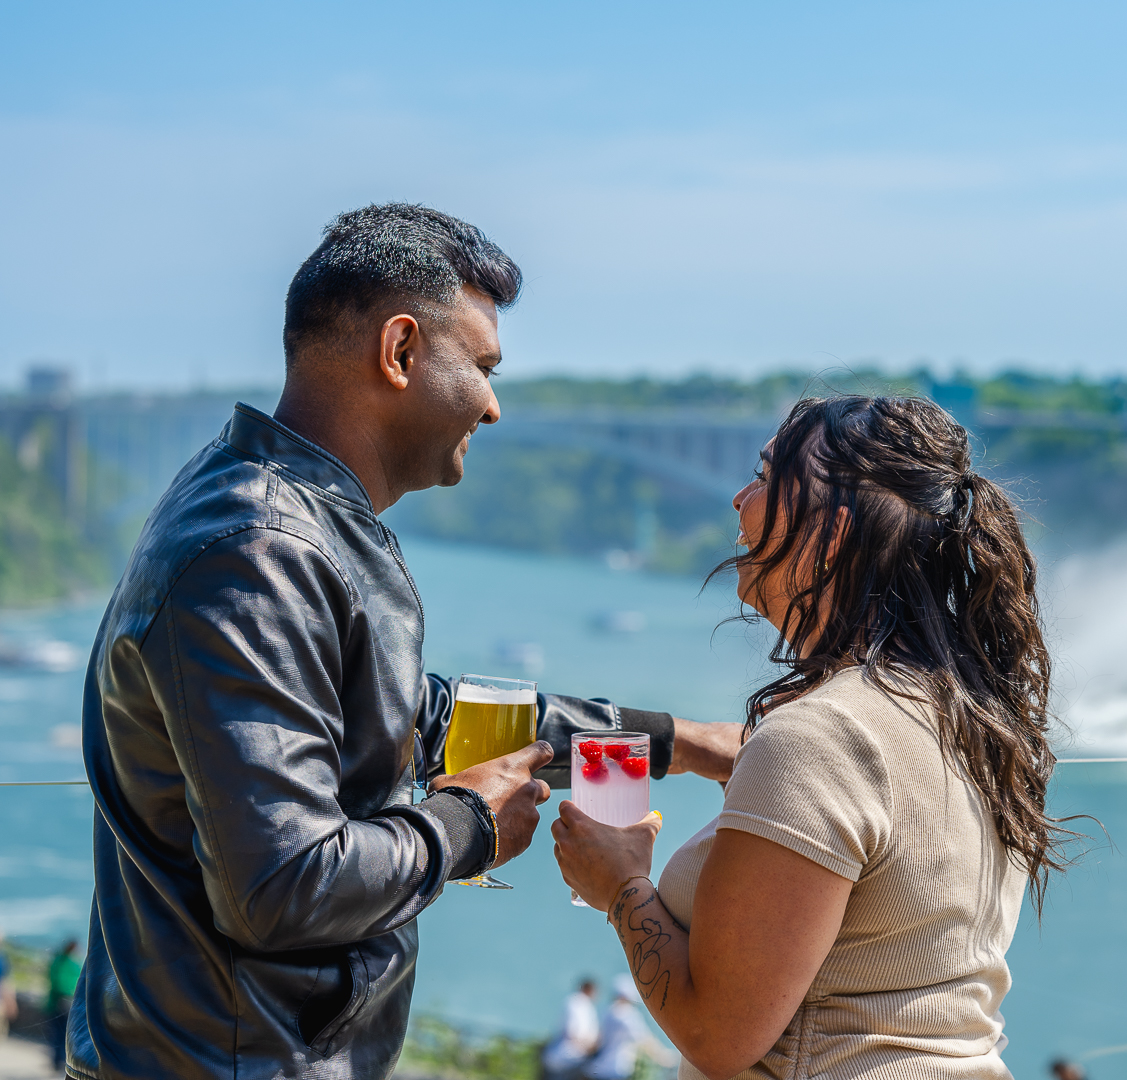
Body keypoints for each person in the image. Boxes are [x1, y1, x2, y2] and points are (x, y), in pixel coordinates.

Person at [71, 204, 742, 1080]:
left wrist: (678, 742)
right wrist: (466, 824)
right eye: (484, 365)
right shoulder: (259, 551)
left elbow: (407, 714)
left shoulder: (286, 516)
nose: (495, 406)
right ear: (400, 351)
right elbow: (280, 887)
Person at [554, 394, 1070, 1079]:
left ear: (829, 537)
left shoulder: (821, 736)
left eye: (767, 477)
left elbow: (718, 1035)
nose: (739, 497)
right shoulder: (967, 718)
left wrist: (619, 884)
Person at [584, 975, 664, 1080]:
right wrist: (665, 1058)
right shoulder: (625, 1013)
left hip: (599, 1069)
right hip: (614, 1070)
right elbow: (645, 1040)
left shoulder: (609, 1011)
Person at [543, 978, 599, 1080]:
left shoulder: (576, 1002)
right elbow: (573, 1033)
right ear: (590, 990)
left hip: (564, 1057)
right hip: (567, 1057)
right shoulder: (578, 1003)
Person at [46, 939, 82, 1072]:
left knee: (58, 1034)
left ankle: (59, 1061)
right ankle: (61, 1061)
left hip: (57, 1004)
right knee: (64, 1034)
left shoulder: (58, 961)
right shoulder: (72, 964)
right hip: (65, 1004)